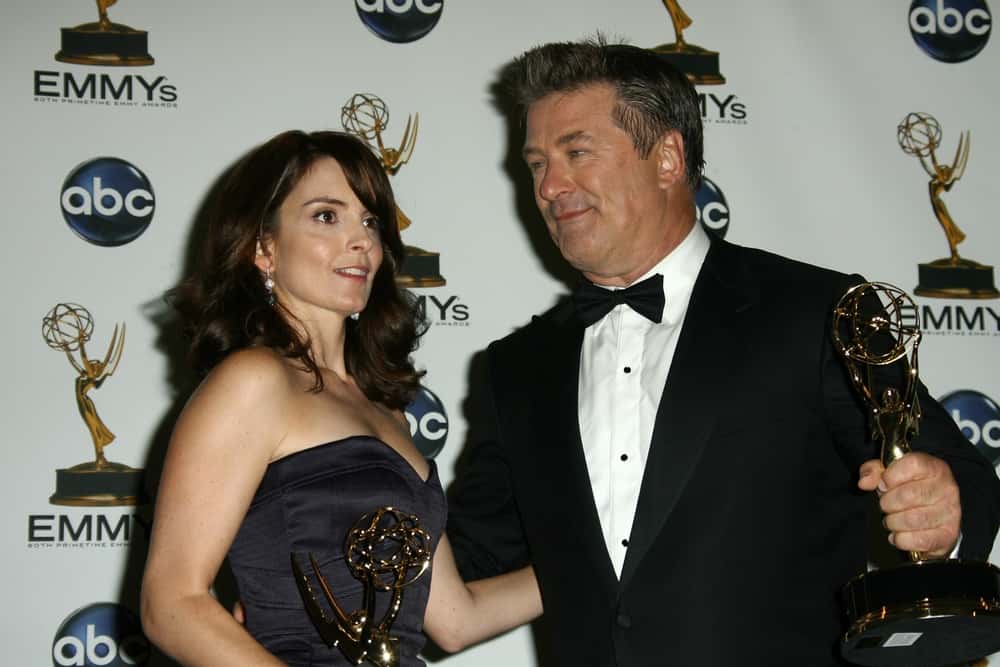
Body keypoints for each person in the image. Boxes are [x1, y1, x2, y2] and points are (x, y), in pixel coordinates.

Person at [446, 38, 1000, 665]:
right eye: (537, 162)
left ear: (667, 157)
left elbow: (957, 473)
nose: (550, 184)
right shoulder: (515, 369)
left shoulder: (817, 312)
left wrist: (943, 511)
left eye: (576, 152)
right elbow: (469, 561)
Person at [140, 130, 541, 666]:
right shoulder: (254, 381)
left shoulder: (385, 405)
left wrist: (602, 564)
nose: (362, 242)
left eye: (370, 221)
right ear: (264, 248)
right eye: (326, 216)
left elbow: (454, 618)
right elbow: (172, 603)